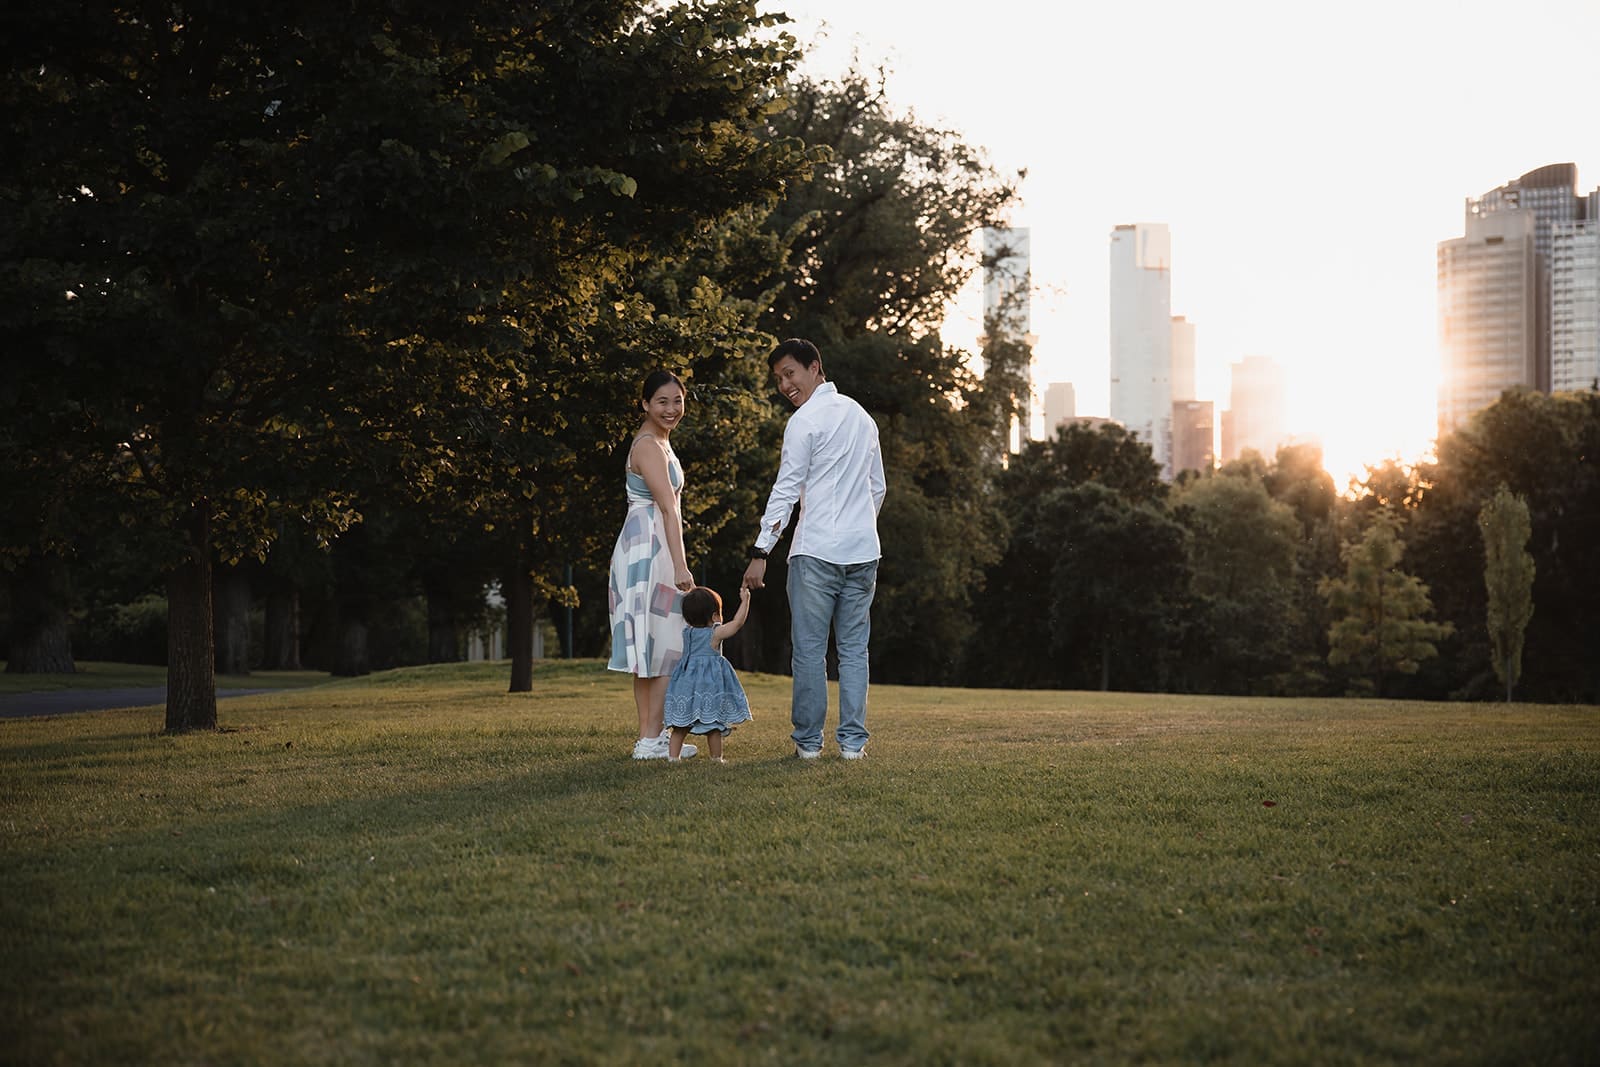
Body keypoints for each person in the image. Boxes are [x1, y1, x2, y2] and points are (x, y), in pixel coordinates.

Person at [742, 338, 886, 760]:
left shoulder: (804, 421)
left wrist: (761, 550)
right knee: (854, 651)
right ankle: (853, 746)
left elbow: (785, 491)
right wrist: (859, 524)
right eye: (779, 379)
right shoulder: (863, 417)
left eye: (790, 373)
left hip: (816, 551)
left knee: (809, 650)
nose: (785, 385)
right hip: (863, 551)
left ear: (815, 367)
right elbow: (877, 487)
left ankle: (808, 746)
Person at [607, 370, 697, 760]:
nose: (671, 409)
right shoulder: (648, 445)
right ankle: (650, 739)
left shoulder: (660, 442)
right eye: (662, 401)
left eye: (677, 401)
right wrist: (681, 566)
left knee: (652, 646)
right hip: (648, 551)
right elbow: (667, 506)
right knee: (662, 645)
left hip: (647, 544)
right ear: (644, 404)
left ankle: (649, 739)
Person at [663, 585, 753, 762]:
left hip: (685, 684)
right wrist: (746, 600)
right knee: (713, 724)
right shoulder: (714, 633)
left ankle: (673, 758)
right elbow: (737, 623)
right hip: (707, 686)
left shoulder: (687, 632)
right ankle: (716, 758)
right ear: (714, 616)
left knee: (680, 725)